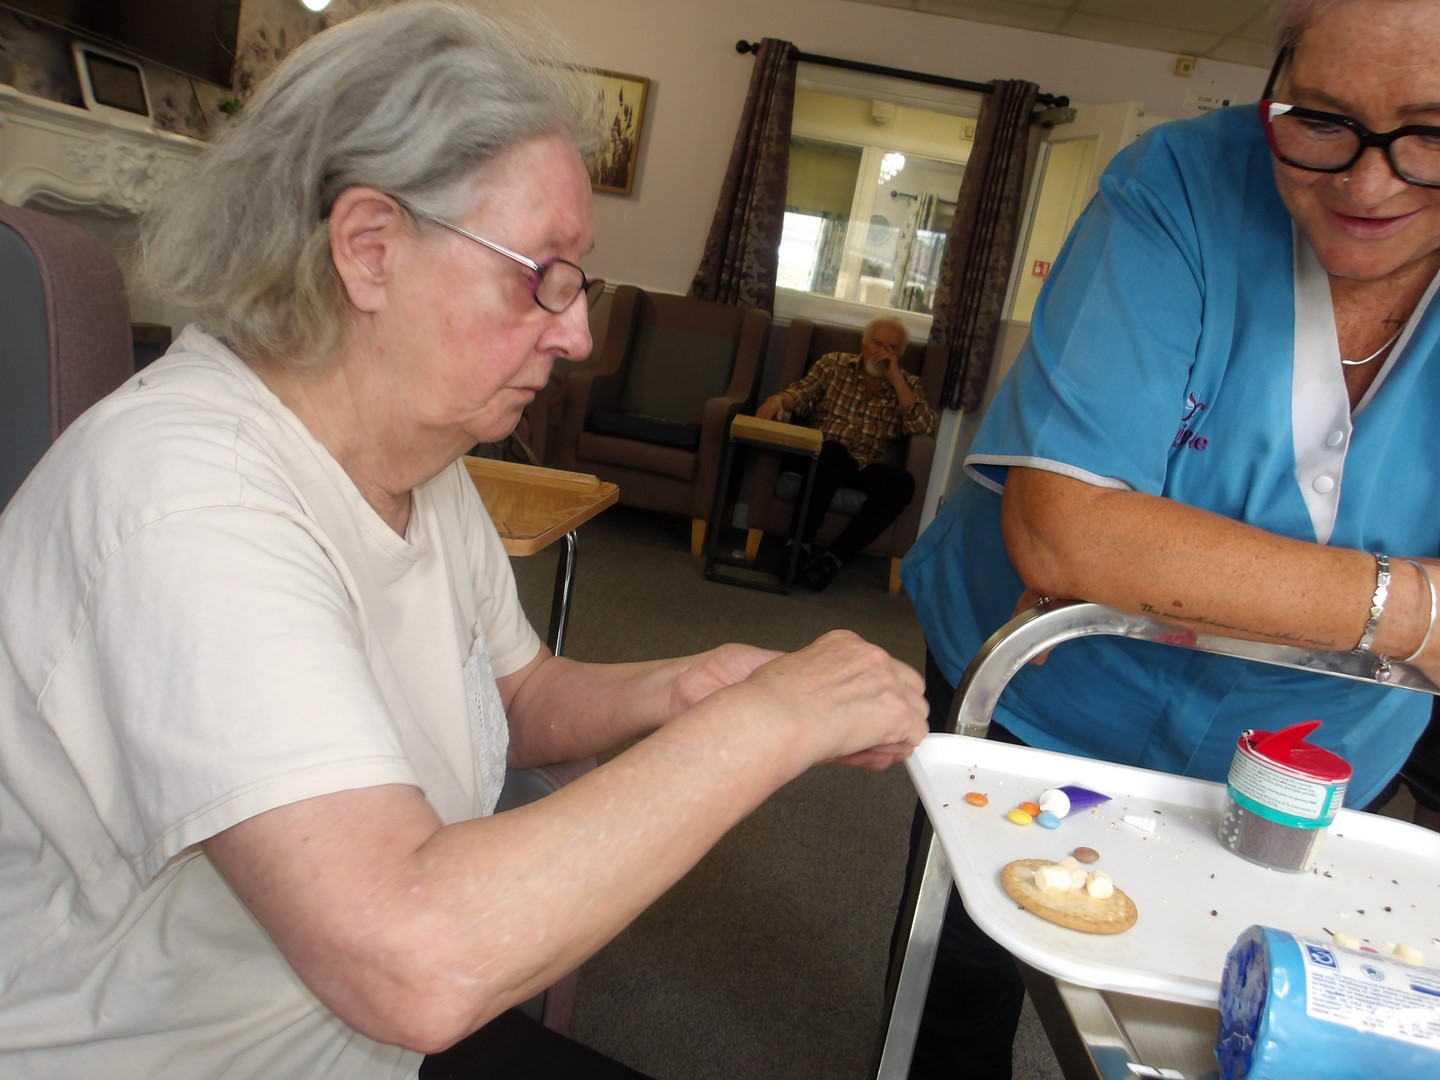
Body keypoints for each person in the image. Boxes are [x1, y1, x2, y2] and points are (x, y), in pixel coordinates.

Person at [0, 5, 931, 1078]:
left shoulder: (419, 459)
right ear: (370, 249)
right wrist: (770, 721)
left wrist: (687, 688)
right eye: (542, 274)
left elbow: (512, 698)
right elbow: (413, 962)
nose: (578, 332)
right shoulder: (188, 499)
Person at [892, 0, 1440, 1075]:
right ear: (1275, 81)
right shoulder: (1178, 184)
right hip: (1047, 696)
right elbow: (1066, 533)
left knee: (1261, 1023)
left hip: (1312, 755)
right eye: (1320, 118)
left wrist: (1169, 555)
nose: (1367, 183)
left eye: (1432, 131)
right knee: (964, 988)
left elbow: (1114, 537)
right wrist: (1413, 608)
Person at [755, 314, 937, 591]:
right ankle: (799, 545)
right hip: (824, 456)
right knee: (832, 453)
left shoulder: (908, 384)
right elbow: (801, 395)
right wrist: (778, 400)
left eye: (891, 348)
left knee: (903, 484)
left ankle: (834, 559)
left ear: (900, 354)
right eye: (877, 343)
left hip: (867, 464)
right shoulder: (834, 364)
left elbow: (921, 425)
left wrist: (897, 380)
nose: (883, 352)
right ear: (863, 343)